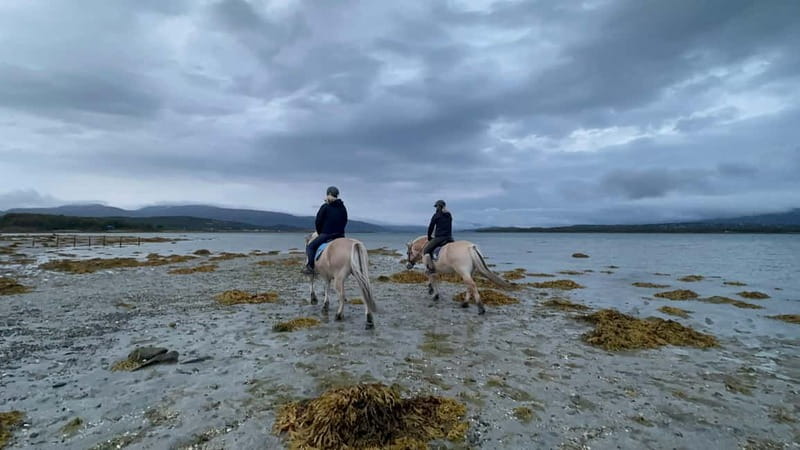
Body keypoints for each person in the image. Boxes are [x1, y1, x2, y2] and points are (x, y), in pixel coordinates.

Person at [302, 186, 348, 275]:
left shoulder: (325, 207)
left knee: (310, 247)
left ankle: (310, 267)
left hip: (327, 234)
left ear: (328, 194)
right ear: (337, 195)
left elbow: (318, 221)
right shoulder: (343, 208)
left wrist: (320, 232)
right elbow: (345, 221)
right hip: (340, 236)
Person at [422, 199, 454, 274]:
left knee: (426, 251)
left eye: (436, 207)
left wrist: (429, 237)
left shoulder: (436, 215)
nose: (436, 208)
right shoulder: (449, 215)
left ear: (438, 207)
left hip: (440, 238)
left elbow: (431, 227)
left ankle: (431, 269)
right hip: (450, 238)